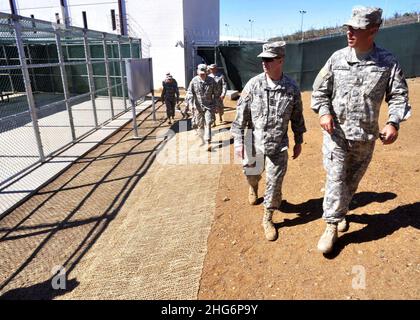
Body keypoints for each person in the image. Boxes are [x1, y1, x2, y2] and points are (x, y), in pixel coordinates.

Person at [311, 6, 411, 254]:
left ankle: (341, 210)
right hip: (337, 135)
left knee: (350, 183)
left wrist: (393, 122)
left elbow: (398, 96)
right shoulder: (336, 59)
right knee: (335, 178)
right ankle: (331, 226)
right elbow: (319, 91)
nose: (349, 32)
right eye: (348, 27)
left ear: (373, 31)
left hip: (365, 139)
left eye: (356, 28)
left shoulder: (387, 62)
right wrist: (324, 112)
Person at [231, 41, 306, 241]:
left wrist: (298, 140)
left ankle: (268, 217)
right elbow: (241, 117)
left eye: (268, 59)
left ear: (280, 60)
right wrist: (239, 142)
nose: (264, 63)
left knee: (274, 184)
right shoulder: (253, 85)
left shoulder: (291, 88)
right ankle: (253, 186)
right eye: (262, 59)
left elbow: (297, 116)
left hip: (278, 146)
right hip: (253, 142)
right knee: (252, 174)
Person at [186, 64, 218, 152]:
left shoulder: (211, 81)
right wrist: (190, 103)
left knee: (208, 123)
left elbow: (216, 95)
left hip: (209, 106)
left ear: (207, 72)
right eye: (200, 73)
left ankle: (208, 142)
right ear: (197, 72)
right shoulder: (194, 80)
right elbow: (189, 92)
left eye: (204, 73)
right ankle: (203, 140)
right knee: (200, 125)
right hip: (198, 107)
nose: (202, 75)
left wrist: (216, 106)